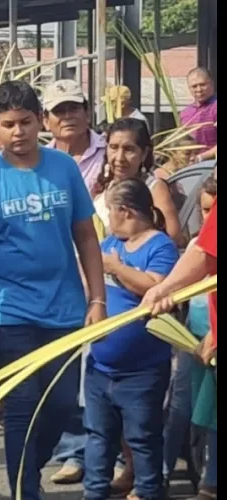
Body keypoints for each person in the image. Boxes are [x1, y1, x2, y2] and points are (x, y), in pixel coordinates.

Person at [0, 80, 106, 500]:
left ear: (41, 121)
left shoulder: (64, 169)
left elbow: (86, 237)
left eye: (26, 122)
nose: (18, 132)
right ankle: (25, 490)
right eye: (8, 124)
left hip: (64, 310)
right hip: (6, 313)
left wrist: (97, 299)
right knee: (22, 405)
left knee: (60, 406)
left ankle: (28, 463)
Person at [83, 178, 178, 500]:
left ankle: (149, 490)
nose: (108, 219)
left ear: (124, 211)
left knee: (142, 437)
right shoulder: (110, 243)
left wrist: (117, 268)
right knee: (97, 436)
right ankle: (94, 492)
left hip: (142, 370)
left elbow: (156, 288)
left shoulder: (159, 246)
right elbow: (90, 283)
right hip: (101, 366)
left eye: (110, 212)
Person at [162, 176, 217, 500]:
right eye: (205, 209)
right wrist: (166, 289)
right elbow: (202, 253)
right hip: (197, 343)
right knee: (191, 412)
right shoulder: (200, 240)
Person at [92, 119, 184, 247]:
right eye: (113, 147)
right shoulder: (102, 187)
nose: (119, 158)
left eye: (129, 149)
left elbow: (174, 238)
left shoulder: (154, 188)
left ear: (144, 153)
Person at [44, 79, 107, 193]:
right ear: (46, 121)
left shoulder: (109, 151)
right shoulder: (39, 161)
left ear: (87, 114)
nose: (67, 116)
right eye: (59, 111)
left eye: (74, 109)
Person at [180, 67, 217, 164]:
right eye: (194, 86)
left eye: (203, 85)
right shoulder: (185, 113)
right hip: (192, 167)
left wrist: (201, 157)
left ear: (212, 84)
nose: (199, 89)